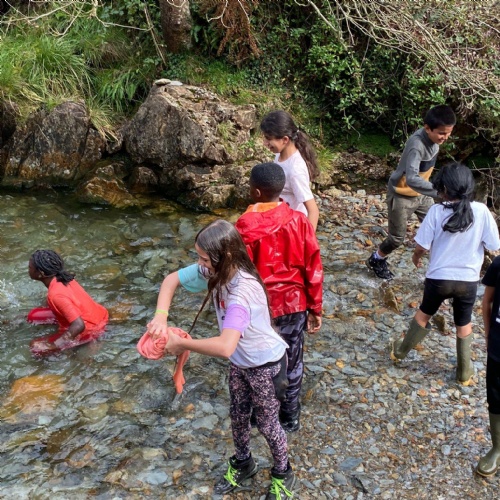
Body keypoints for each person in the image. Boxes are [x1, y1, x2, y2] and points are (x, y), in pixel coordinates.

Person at [146, 219, 296, 499]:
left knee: (267, 424)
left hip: (265, 365)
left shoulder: (242, 292)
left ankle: (283, 472)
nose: (200, 264)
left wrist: (182, 344)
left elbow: (226, 346)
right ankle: (244, 463)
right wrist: (160, 317)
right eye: (199, 257)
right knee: (237, 416)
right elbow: (171, 280)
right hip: (240, 363)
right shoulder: (216, 269)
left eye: (204, 258)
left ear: (225, 255)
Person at [390, 163, 500, 386]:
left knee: (424, 314)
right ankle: (464, 373)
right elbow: (493, 245)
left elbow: (422, 246)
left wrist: (416, 257)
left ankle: (399, 353)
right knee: (464, 322)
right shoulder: (481, 211)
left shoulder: (436, 211)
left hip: (439, 278)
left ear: (444, 188)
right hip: (468, 281)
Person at [235, 162, 323, 432]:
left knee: (258, 360)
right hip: (294, 304)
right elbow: (313, 267)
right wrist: (315, 308)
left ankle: (259, 414)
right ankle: (290, 415)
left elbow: (239, 274)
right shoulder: (299, 221)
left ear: (256, 192)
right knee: (293, 359)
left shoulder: (244, 226)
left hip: (259, 307)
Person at [366, 105, 457, 279]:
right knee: (397, 238)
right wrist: (439, 192)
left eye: (448, 133)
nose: (445, 137)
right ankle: (376, 259)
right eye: (441, 133)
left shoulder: (435, 141)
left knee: (438, 228)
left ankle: (441, 268)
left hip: (422, 195)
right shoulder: (417, 145)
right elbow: (412, 179)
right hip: (401, 195)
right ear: (427, 128)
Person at [28, 250, 108, 353]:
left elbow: (79, 325)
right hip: (98, 315)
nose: (28, 270)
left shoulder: (56, 295)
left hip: (91, 328)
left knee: (35, 347)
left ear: (41, 274)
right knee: (33, 316)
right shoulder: (64, 277)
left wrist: (55, 344)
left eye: (30, 267)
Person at [260, 110, 320, 231]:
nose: (265, 143)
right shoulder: (280, 155)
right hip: (282, 222)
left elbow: (313, 211)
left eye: (268, 139)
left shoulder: (295, 170)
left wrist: (308, 240)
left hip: (294, 228)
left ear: (285, 140)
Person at [477, 256, 500, 476]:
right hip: (497, 348)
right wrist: (487, 336)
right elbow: (487, 302)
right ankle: (497, 448)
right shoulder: (498, 264)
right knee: (495, 397)